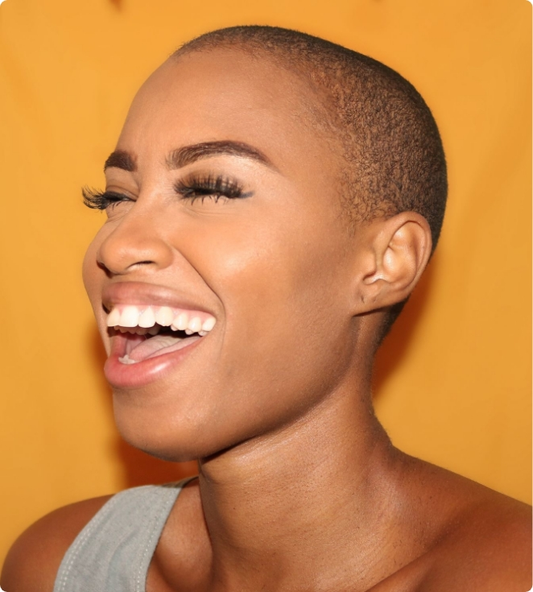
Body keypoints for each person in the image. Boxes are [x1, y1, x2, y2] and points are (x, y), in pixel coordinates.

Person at [1, 25, 530, 592]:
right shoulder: (60, 567)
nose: (117, 245)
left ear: (385, 263)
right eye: (117, 198)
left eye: (212, 188)